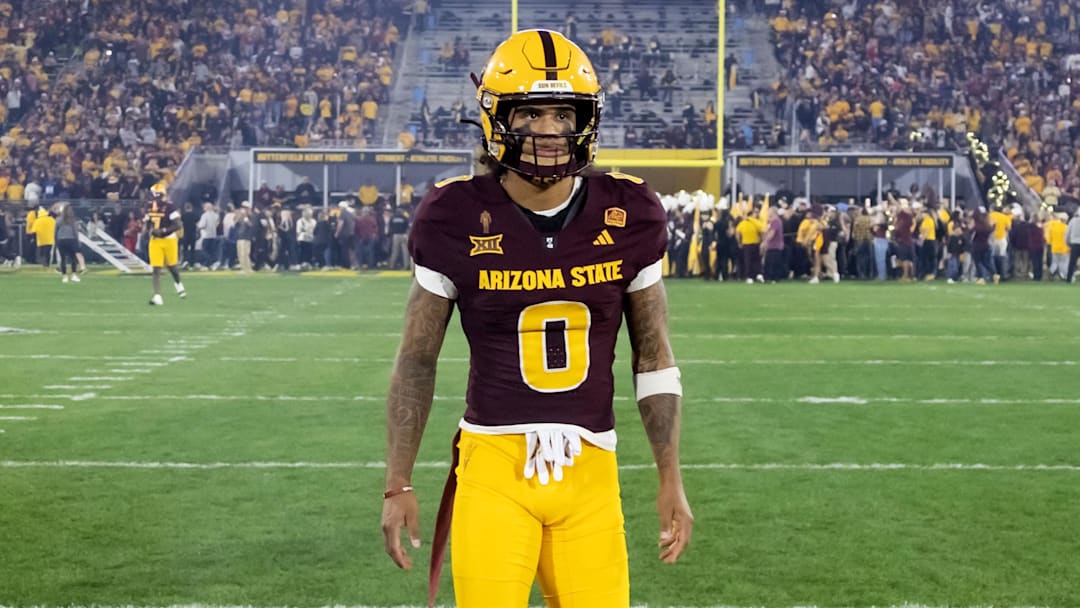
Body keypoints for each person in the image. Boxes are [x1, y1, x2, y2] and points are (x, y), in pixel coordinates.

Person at [380, 29, 693, 608]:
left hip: (592, 469)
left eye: (563, 113)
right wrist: (397, 482)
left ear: (586, 120)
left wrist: (669, 477)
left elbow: (654, 356)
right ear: (496, 118)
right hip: (493, 466)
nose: (549, 130)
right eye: (530, 113)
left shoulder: (630, 212)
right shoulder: (453, 214)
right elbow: (417, 360)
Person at [144, 182, 186, 305]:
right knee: (156, 268)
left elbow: (178, 225)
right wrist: (148, 230)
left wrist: (163, 230)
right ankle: (157, 296)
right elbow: (148, 222)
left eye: (156, 195)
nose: (154, 198)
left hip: (169, 239)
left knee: (172, 267)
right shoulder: (149, 207)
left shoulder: (170, 207)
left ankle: (178, 284)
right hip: (155, 240)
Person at [54, 204, 81, 283]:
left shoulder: (58, 219)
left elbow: (55, 231)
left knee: (63, 259)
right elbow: (75, 231)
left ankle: (64, 276)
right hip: (71, 239)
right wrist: (77, 241)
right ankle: (74, 275)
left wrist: (55, 241)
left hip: (61, 240)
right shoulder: (73, 220)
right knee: (73, 258)